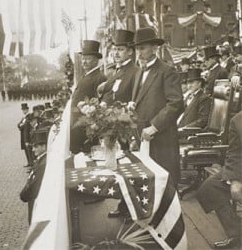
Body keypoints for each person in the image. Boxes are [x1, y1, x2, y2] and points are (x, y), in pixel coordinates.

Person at [132, 27, 184, 186]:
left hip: (162, 138)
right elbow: (143, 99)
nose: (139, 53)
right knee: (148, 184)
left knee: (164, 183)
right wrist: (132, 105)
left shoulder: (166, 70)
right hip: (143, 137)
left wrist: (154, 127)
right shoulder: (140, 71)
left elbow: (176, 103)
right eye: (137, 49)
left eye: (143, 48)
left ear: (155, 48)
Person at [196, 111, 242, 249]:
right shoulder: (238, 120)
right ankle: (237, 233)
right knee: (210, 188)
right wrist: (234, 179)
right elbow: (235, 152)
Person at [70, 40, 106, 153]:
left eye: (88, 59)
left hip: (87, 131)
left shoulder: (100, 78)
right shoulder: (86, 76)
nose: (84, 62)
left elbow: (101, 105)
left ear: (96, 61)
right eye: (83, 59)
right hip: (77, 128)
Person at [99, 29, 139, 105]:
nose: (116, 53)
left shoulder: (136, 72)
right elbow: (110, 92)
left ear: (130, 51)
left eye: (120, 50)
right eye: (114, 49)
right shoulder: (113, 71)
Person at [20, 128, 49, 223]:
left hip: (36, 201)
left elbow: (34, 185)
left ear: (44, 146)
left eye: (36, 147)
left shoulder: (43, 164)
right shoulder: (41, 160)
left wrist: (23, 195)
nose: (33, 150)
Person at [17, 103, 32, 167]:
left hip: (27, 136)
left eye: (25, 109)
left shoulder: (29, 116)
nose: (23, 111)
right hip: (23, 136)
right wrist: (20, 125)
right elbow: (18, 125)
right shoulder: (24, 117)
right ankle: (29, 162)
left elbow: (22, 126)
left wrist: (21, 126)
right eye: (23, 110)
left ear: (27, 109)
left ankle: (31, 163)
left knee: (29, 150)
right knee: (26, 150)